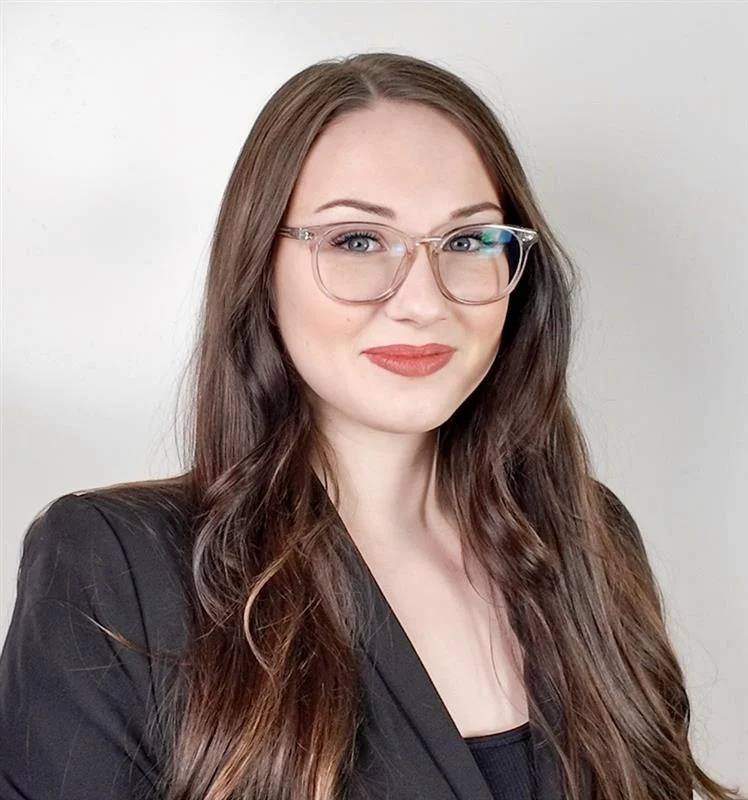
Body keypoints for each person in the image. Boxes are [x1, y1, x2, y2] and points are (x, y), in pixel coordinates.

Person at [0, 52, 743, 800]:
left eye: (468, 241)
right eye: (356, 241)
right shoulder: (117, 567)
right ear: (261, 268)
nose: (422, 300)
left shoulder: (591, 537)